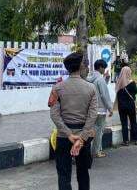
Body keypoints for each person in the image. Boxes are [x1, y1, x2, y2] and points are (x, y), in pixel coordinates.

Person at [50, 52, 97, 190]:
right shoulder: (91, 88)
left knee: (63, 174)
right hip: (84, 135)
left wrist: (69, 135)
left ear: (67, 68)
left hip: (64, 137)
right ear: (81, 66)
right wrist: (81, 138)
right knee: (83, 173)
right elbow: (92, 115)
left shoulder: (57, 88)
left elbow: (54, 115)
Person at [87, 59, 113, 158]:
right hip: (100, 110)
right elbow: (104, 95)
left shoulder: (90, 78)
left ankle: (91, 150)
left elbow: (99, 90)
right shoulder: (100, 80)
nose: (104, 69)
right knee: (98, 131)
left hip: (91, 109)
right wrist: (110, 108)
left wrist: (106, 79)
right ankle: (96, 151)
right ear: (101, 67)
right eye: (104, 67)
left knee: (90, 130)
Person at [115, 66, 137, 146]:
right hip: (130, 106)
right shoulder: (132, 83)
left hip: (121, 107)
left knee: (124, 123)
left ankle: (125, 141)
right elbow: (135, 92)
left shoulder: (118, 83)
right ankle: (136, 139)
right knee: (133, 122)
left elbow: (117, 94)